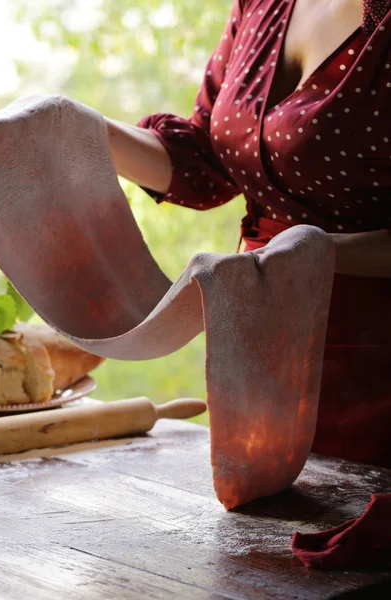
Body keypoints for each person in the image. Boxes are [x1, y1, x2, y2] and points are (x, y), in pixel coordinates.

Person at [103, 0, 391, 467]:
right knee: (256, 523)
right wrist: (81, 132)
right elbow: (205, 163)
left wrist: (312, 251)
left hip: (372, 367)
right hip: (258, 348)